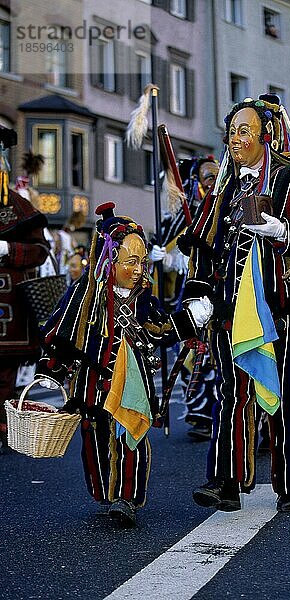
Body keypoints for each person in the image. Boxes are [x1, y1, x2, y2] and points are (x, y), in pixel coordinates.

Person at [180, 95, 290, 512]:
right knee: (231, 394)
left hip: (287, 311)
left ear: (265, 135)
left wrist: (284, 231)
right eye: (231, 132)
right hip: (231, 312)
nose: (235, 139)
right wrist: (198, 296)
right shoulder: (223, 188)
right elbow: (204, 245)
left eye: (244, 131)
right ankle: (225, 483)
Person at [35, 202, 207, 527]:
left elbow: (160, 329)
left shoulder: (143, 299)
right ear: (109, 260)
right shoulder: (83, 295)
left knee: (131, 438)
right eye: (131, 261)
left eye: (142, 262)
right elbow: (59, 334)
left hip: (133, 387)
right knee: (95, 441)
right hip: (92, 386)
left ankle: (126, 498)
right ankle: (106, 494)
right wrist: (50, 370)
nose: (140, 269)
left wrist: (192, 318)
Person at [150, 156, 219, 440]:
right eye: (206, 176)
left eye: (215, 174)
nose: (211, 180)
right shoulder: (184, 214)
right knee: (190, 356)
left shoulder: (225, 203)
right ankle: (201, 415)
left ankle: (223, 413)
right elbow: (167, 248)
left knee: (217, 356)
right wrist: (160, 255)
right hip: (188, 296)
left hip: (220, 292)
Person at [0, 188, 49, 452]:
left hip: (10, 310)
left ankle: (4, 424)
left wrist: (7, 248)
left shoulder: (16, 204)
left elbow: (40, 250)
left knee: (4, 375)